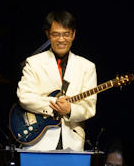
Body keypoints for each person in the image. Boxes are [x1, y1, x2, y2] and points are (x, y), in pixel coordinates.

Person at [16, 10, 97, 151]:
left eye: (66, 34)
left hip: (72, 142)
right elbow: (24, 97)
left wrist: (70, 110)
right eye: (56, 34)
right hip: (37, 140)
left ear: (73, 34)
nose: (61, 39)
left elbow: (89, 107)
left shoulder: (87, 67)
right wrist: (55, 104)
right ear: (48, 35)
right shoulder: (33, 63)